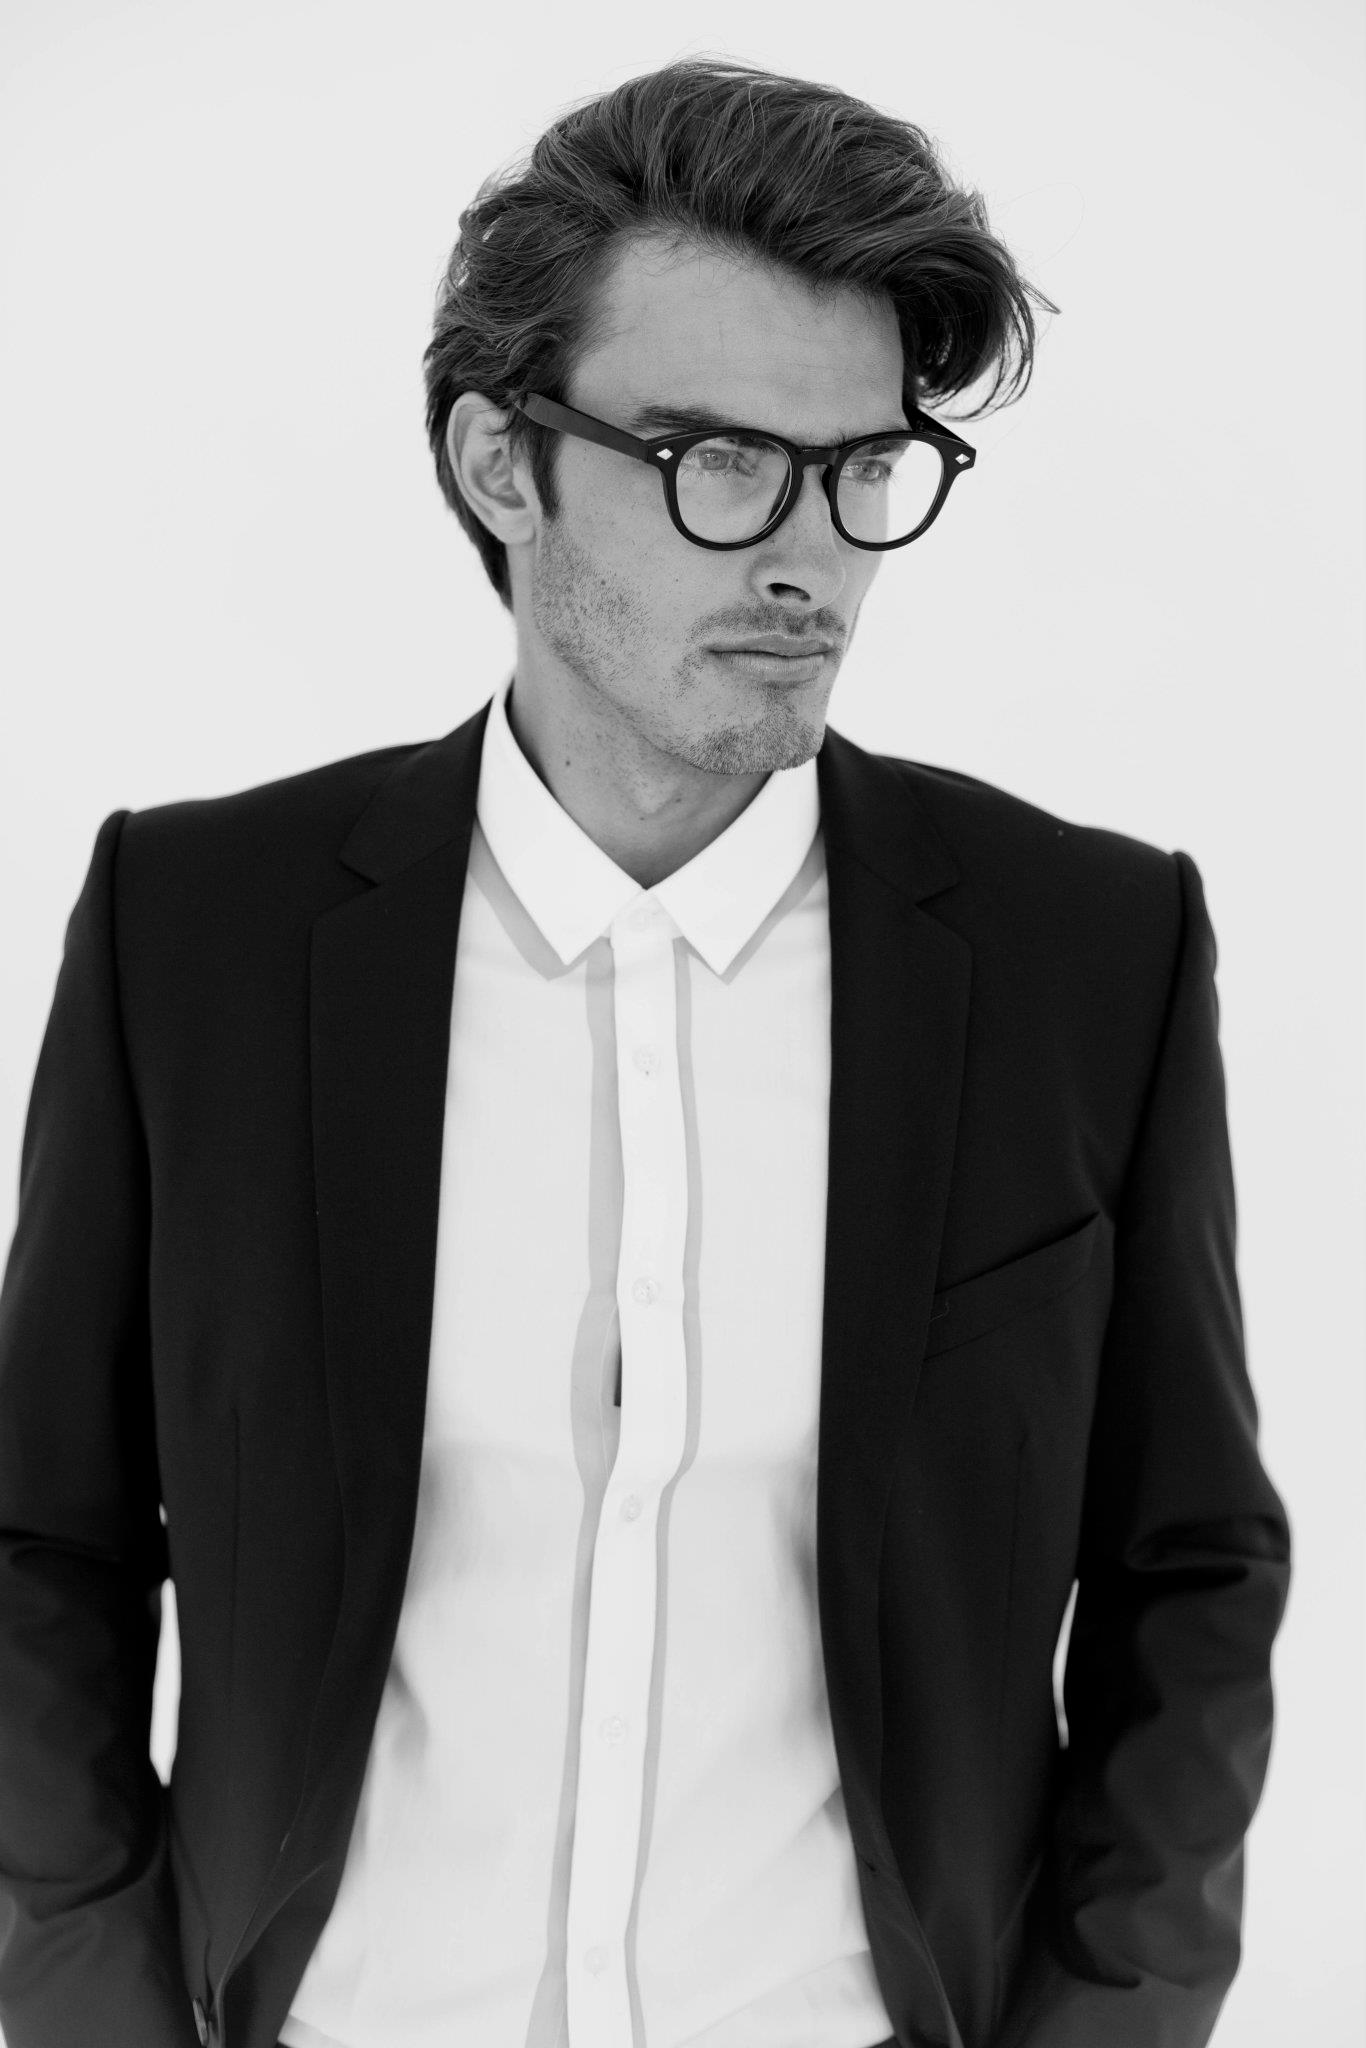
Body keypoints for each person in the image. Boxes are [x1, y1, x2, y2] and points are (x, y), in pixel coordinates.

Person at [0, 52, 1291, 2048]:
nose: (808, 557)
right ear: (500, 465)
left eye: (861, 467)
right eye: (717, 460)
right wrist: (93, 2011)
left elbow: (1185, 1569)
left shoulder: (1082, 957)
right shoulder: (198, 935)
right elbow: (44, 1543)